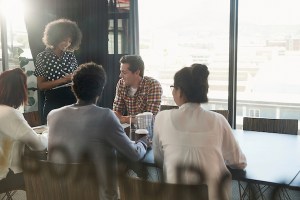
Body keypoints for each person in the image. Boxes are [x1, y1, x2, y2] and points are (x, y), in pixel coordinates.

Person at [47, 62, 148, 200]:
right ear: (101, 90)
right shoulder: (105, 116)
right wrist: (143, 141)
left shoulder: (53, 115)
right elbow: (135, 154)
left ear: (73, 87)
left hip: (61, 193)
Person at [152, 64, 247, 200]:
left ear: (180, 92)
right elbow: (239, 162)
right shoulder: (218, 120)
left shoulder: (162, 118)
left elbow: (159, 159)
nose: (172, 92)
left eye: (173, 88)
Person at [0, 68, 47, 190]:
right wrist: (48, 132)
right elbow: (39, 146)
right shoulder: (10, 114)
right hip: (5, 177)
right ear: (20, 91)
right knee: (48, 175)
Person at [34, 18, 82, 124]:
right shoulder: (42, 57)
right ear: (55, 38)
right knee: (52, 136)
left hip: (72, 99)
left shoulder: (71, 55)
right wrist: (62, 80)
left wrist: (74, 78)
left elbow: (76, 76)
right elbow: (41, 85)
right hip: (53, 101)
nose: (67, 44)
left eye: (69, 41)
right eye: (64, 40)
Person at [113, 55, 162, 124]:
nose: (120, 75)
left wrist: (125, 119)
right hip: (130, 129)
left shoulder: (153, 85)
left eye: (124, 72)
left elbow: (150, 118)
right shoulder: (121, 83)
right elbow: (116, 112)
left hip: (149, 131)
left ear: (137, 72)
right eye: (121, 72)